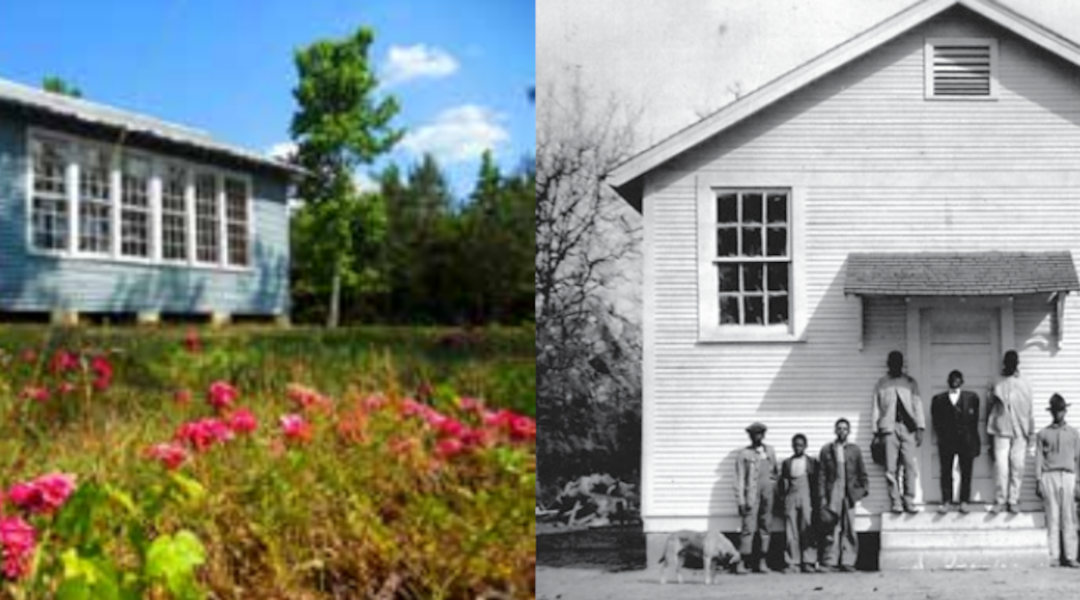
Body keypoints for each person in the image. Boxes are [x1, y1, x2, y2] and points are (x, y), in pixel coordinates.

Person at [871, 351, 925, 514]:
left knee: (909, 464)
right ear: (888, 364)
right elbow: (876, 408)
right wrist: (875, 432)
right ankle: (896, 501)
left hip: (907, 428)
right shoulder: (882, 383)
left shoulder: (909, 383)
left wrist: (920, 428)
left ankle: (908, 499)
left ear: (902, 364)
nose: (896, 365)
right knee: (890, 468)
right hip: (888, 429)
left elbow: (917, 405)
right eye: (893, 362)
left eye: (898, 362)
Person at [816, 418, 868, 572]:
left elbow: (862, 473)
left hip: (849, 492)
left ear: (849, 431)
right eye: (839, 428)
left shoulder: (854, 450)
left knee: (849, 527)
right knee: (832, 527)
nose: (842, 431)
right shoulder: (827, 450)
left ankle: (848, 561)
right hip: (833, 491)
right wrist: (823, 497)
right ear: (835, 430)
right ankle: (830, 561)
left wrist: (860, 492)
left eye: (845, 428)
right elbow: (822, 475)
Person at [1034, 394, 1080, 568]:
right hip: (1049, 476)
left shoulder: (1074, 434)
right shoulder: (1043, 434)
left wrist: (1078, 482)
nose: (1058, 414)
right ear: (1051, 412)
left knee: (1069, 517)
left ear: (1065, 411)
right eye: (1055, 411)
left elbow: (1078, 460)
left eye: (1061, 410)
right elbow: (1038, 458)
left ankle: (1070, 556)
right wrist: (1038, 480)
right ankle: (1053, 556)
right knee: (1052, 516)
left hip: (1068, 476)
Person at [987, 350, 1035, 514]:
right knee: (1001, 466)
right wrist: (989, 433)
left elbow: (1030, 410)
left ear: (1017, 364)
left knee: (1018, 465)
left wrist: (1032, 433)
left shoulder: (1025, 382)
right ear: (1004, 363)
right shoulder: (996, 381)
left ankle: (1013, 499)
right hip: (1001, 429)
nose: (1010, 366)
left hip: (1021, 430)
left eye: (1013, 363)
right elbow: (989, 407)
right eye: (1008, 362)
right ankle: (1000, 499)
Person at [930, 370, 981, 513]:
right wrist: (943, 435)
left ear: (962, 381)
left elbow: (975, 422)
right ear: (948, 381)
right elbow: (936, 421)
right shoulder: (938, 399)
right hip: (947, 440)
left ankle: (964, 501)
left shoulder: (971, 398)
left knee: (966, 471)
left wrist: (975, 441)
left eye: (958, 379)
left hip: (966, 440)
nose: (955, 381)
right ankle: (946, 500)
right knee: (946, 471)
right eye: (952, 379)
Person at [733, 421, 778, 574]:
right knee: (748, 528)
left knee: (765, 527)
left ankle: (762, 562)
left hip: (768, 495)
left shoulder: (770, 451)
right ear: (750, 436)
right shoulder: (744, 454)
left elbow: (775, 473)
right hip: (751, 495)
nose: (757, 437)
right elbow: (739, 479)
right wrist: (741, 500)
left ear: (763, 435)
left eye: (759, 433)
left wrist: (773, 491)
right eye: (753, 434)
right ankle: (743, 562)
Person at [778, 433, 819, 573]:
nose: (798, 448)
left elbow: (816, 483)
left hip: (806, 496)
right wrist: (783, 500)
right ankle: (792, 562)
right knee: (791, 531)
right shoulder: (787, 463)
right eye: (795, 445)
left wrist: (815, 502)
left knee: (807, 528)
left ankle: (809, 561)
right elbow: (782, 483)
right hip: (791, 496)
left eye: (801, 445)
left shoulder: (811, 462)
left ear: (805, 446)